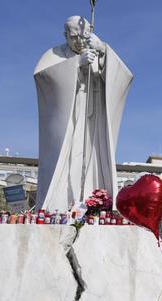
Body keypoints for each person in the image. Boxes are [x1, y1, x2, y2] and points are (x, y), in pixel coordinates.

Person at [34, 16, 133, 211]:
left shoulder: (97, 49)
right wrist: (76, 64)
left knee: (93, 154)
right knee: (69, 157)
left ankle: (96, 201)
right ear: (65, 35)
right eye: (73, 37)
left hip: (95, 117)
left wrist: (103, 50)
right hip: (69, 117)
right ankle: (60, 205)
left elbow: (124, 76)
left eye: (84, 36)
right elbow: (42, 76)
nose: (79, 41)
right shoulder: (54, 54)